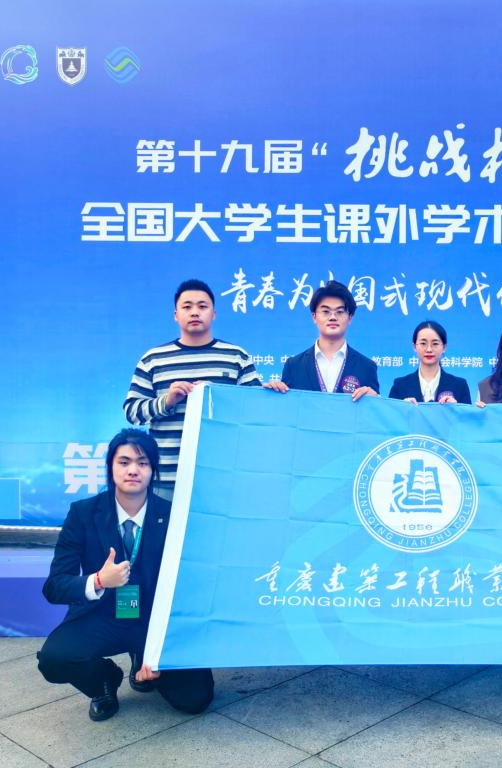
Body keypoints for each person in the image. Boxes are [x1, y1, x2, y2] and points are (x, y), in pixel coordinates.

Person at [37, 429, 214, 721]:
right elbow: (54, 586)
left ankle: (144, 660)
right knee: (54, 660)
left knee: (195, 699)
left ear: (153, 471)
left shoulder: (174, 516)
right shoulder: (83, 514)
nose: (133, 470)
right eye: (124, 462)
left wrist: (160, 653)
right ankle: (105, 682)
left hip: (154, 621)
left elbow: (193, 585)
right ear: (110, 466)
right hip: (102, 615)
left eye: (143, 463)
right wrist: (98, 581)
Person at [123, 279, 261, 498]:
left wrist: (218, 397)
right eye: (187, 307)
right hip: (166, 477)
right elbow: (132, 412)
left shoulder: (236, 357)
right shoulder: (153, 359)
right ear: (176, 315)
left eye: (202, 306)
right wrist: (167, 401)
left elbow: (255, 411)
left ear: (213, 314)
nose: (195, 312)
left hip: (221, 475)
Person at [264, 280, 379, 400]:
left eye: (340, 312)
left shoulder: (367, 367)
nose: (333, 317)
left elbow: (376, 410)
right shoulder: (294, 366)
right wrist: (275, 393)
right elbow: (287, 407)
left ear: (350, 318)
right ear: (314, 316)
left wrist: (375, 400)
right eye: (326, 311)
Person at [388, 320, 471, 404]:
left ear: (444, 347)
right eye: (423, 343)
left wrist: (456, 408)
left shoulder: (460, 385)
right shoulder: (400, 385)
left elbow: (467, 413)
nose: (429, 349)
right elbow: (390, 412)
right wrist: (402, 408)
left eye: (435, 344)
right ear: (414, 347)